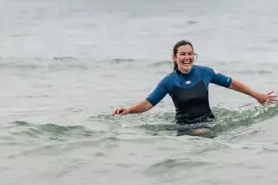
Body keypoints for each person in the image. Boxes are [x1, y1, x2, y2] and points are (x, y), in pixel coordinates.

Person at [112, 39, 276, 130]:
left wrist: (258, 96)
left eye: (190, 54)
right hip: (184, 129)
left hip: (209, 123)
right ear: (175, 58)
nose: (187, 57)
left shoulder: (205, 72)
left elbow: (232, 83)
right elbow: (148, 103)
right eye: (182, 54)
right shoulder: (168, 81)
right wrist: (128, 110)